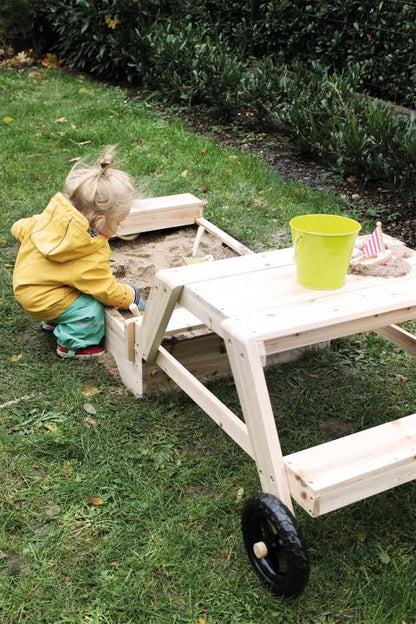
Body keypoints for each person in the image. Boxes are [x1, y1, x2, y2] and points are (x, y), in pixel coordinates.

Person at [11, 146, 145, 360]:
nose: (119, 227)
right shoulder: (86, 252)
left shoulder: (51, 220)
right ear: (100, 221)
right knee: (92, 308)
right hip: (43, 298)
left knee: (73, 288)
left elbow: (22, 227)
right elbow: (105, 290)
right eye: (118, 222)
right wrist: (131, 296)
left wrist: (18, 229)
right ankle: (74, 343)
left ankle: (58, 317)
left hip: (29, 284)